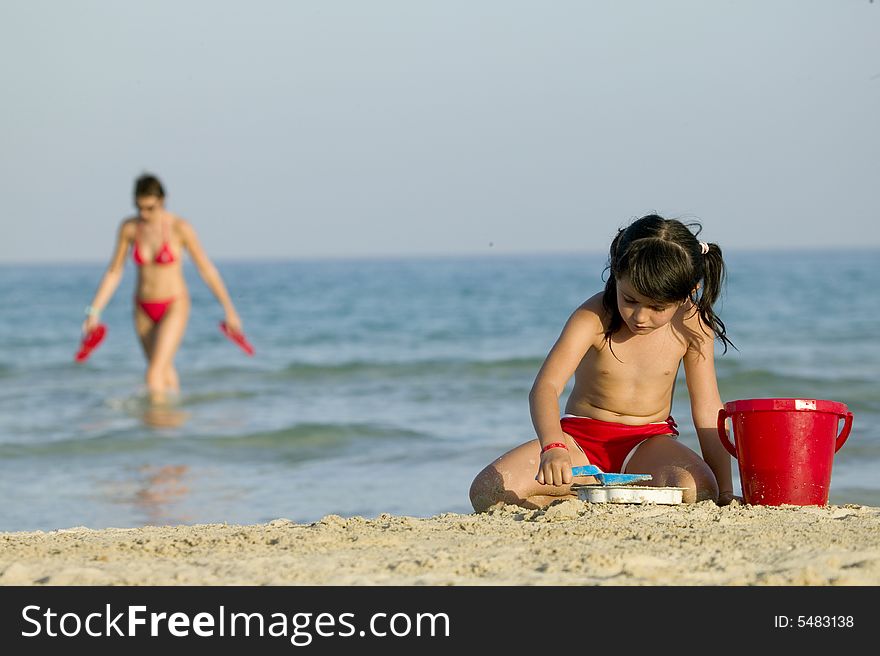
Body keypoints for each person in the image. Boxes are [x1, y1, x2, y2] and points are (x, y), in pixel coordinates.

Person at [469, 214, 737, 510]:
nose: (640, 317)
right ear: (616, 276)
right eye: (630, 299)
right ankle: (587, 492)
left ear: (689, 292)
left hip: (647, 444)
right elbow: (545, 387)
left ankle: (594, 496)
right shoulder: (594, 317)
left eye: (657, 307)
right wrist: (553, 446)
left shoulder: (694, 326)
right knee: (487, 490)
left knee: (698, 490)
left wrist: (725, 490)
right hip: (579, 442)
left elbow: (708, 408)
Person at [82, 173, 244, 402]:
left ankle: (155, 427)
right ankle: (173, 428)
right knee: (163, 369)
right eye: (139, 208)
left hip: (174, 304)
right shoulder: (130, 228)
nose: (144, 214)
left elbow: (206, 269)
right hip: (142, 308)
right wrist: (94, 312)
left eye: (150, 208)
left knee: (153, 374)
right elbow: (114, 271)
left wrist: (229, 310)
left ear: (163, 201)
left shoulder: (180, 228)